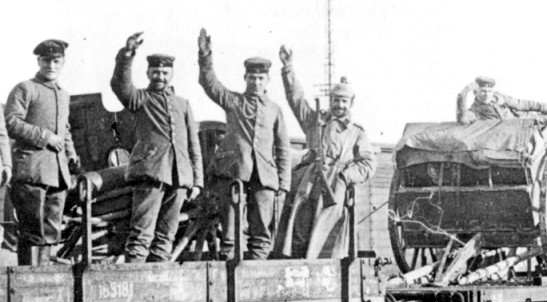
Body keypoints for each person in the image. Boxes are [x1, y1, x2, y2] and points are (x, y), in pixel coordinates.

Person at [273, 45, 376, 259]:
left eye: (343, 101)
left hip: (334, 187)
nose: (339, 105)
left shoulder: (357, 133)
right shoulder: (315, 121)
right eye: (336, 100)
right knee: (298, 231)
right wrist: (288, 68)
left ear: (351, 103)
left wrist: (345, 176)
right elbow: (296, 99)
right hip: (308, 182)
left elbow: (368, 164)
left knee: (327, 236)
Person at [197, 28, 291, 260]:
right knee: (229, 232)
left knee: (261, 233)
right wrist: (205, 56)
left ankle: (256, 274)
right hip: (233, 174)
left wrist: (284, 182)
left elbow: (283, 148)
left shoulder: (274, 110)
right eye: (252, 78)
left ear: (267, 80)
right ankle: (228, 274)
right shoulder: (234, 102)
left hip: (265, 178)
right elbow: (210, 84)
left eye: (260, 79)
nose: (256, 82)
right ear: (245, 78)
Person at [111, 32, 203, 263]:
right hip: (150, 174)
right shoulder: (140, 98)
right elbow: (120, 85)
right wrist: (128, 54)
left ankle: (156, 288)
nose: (160, 77)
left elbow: (194, 145)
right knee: (141, 235)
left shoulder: (183, 105)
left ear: (171, 74)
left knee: (166, 237)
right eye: (156, 73)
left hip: (180, 178)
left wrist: (197, 180)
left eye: (164, 73)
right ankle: (135, 283)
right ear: (148, 73)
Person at [4, 39, 79, 265]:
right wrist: (45, 137)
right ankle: (27, 284)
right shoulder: (25, 88)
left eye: (56, 61)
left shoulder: (63, 95)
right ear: (39, 61)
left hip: (57, 175)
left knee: (51, 233)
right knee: (31, 232)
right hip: (31, 172)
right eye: (46, 60)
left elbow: (64, 129)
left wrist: (71, 152)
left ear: (63, 62)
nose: (51, 65)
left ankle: (45, 282)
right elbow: (11, 122)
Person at [456, 76, 547, 146]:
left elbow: (522, 104)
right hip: (513, 138)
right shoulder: (474, 112)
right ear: (475, 93)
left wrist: (546, 108)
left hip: (528, 122)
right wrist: (464, 93)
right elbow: (462, 118)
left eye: (489, 91)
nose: (486, 94)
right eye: (482, 91)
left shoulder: (500, 98)